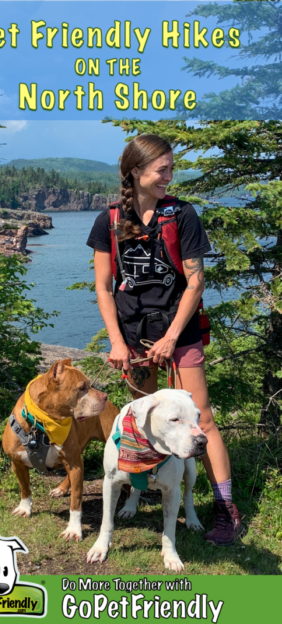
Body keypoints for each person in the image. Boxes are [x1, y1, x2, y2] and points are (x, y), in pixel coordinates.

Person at [86, 134, 243, 546]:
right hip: (134, 337)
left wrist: (172, 336)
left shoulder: (182, 215)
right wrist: (117, 343)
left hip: (180, 330)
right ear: (136, 171)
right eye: (162, 170)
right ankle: (141, 490)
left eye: (171, 169)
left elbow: (195, 281)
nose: (169, 177)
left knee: (201, 417)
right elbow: (104, 287)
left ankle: (226, 510)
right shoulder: (109, 220)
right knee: (141, 421)